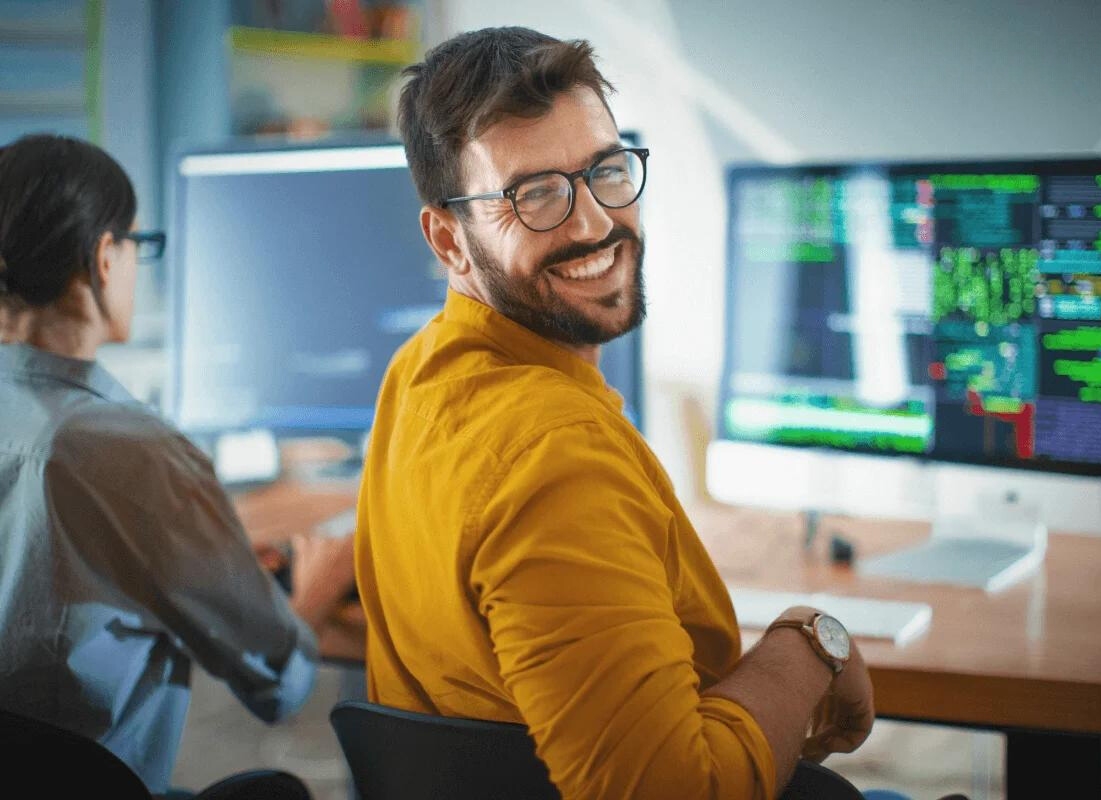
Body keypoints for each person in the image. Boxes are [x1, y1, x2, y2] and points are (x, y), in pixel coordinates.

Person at [354, 27, 877, 800]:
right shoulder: (555, 455)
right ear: (449, 240)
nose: (594, 223)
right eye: (533, 195)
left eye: (605, 170)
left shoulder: (421, 374)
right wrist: (810, 648)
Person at [0, 134, 357, 797]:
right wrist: (316, 584)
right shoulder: (132, 448)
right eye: (141, 244)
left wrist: (204, 560)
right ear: (105, 258)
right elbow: (276, 682)